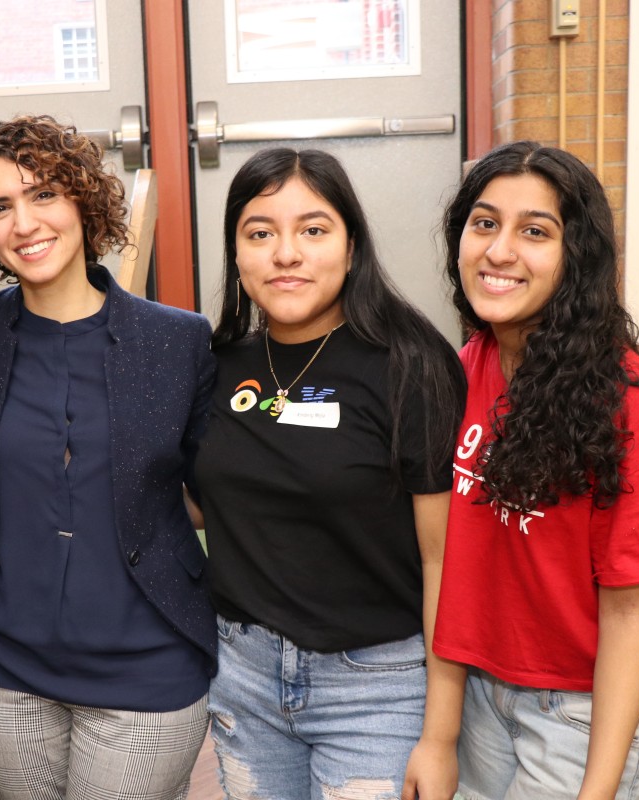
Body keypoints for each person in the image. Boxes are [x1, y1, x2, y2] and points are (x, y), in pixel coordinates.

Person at [0, 115, 216, 800]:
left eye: (43, 196)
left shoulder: (176, 341)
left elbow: (213, 493)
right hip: (3, 666)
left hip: (147, 670)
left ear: (83, 202)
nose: (23, 223)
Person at [191, 147, 467, 800]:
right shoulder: (215, 365)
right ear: (237, 252)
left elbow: (444, 561)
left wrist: (441, 734)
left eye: (313, 230)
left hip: (377, 685)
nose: (286, 253)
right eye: (260, 233)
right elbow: (208, 502)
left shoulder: (410, 366)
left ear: (351, 245)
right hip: (244, 675)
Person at [434, 141, 639, 799]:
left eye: (535, 231)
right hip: (487, 688)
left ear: (576, 257)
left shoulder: (630, 403)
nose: (498, 251)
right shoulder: (471, 365)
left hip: (587, 709)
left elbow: (635, 614)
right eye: (485, 223)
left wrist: (598, 791)